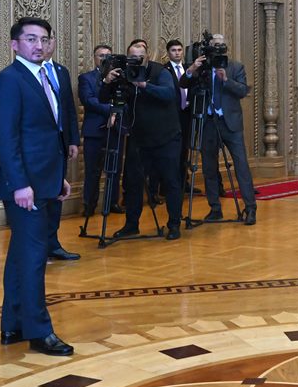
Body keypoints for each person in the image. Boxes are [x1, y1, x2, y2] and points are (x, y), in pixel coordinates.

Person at [0, 17, 74, 356]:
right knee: (35, 257)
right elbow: (6, 139)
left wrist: (57, 177)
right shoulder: (8, 81)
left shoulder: (44, 77)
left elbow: (46, 135)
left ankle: (12, 324)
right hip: (24, 187)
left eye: (43, 39)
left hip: (44, 181)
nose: (39, 45)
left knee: (21, 255)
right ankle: (40, 332)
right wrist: (21, 184)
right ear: (14, 45)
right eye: (30, 39)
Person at [100, 39, 183, 240]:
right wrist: (107, 82)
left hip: (166, 136)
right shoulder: (124, 74)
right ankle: (131, 224)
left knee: (171, 181)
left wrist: (144, 85)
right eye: (133, 57)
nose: (136, 60)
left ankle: (174, 224)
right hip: (139, 138)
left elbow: (169, 94)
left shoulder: (160, 71)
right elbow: (104, 98)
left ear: (147, 56)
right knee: (133, 182)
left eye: (140, 57)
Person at [181, 32, 257, 225]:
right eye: (214, 45)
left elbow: (243, 91)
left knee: (241, 165)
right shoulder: (202, 67)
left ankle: (250, 208)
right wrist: (192, 68)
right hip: (208, 122)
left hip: (230, 123)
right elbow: (183, 83)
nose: (218, 49)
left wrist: (226, 80)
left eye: (221, 45)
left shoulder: (235, 66)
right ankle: (215, 208)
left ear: (226, 48)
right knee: (209, 167)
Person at [41, 31, 80, 262]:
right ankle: (39, 246)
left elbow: (69, 109)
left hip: (61, 144)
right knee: (41, 197)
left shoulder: (61, 71)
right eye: (40, 39)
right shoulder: (28, 73)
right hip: (39, 147)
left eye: (49, 39)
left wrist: (73, 139)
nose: (45, 44)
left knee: (57, 195)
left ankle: (53, 244)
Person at [78, 44, 121, 216]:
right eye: (101, 55)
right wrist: (111, 110)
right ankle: (89, 205)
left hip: (115, 130)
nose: (104, 59)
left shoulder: (119, 77)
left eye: (108, 56)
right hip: (94, 131)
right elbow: (88, 100)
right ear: (94, 58)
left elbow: (124, 99)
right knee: (92, 171)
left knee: (114, 169)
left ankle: (112, 203)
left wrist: (116, 114)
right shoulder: (86, 78)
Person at [165, 39, 192, 183]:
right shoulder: (164, 70)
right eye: (173, 50)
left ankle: (183, 182)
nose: (177, 53)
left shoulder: (189, 69)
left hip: (187, 114)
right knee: (172, 150)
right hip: (172, 115)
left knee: (185, 149)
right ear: (168, 53)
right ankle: (169, 184)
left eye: (179, 50)